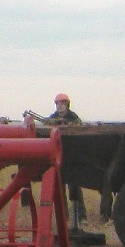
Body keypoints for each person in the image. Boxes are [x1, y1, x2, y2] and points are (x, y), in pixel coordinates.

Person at [39, 93, 88, 232]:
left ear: (67, 104)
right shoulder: (52, 119)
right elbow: (45, 126)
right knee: (60, 191)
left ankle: (81, 218)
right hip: (57, 159)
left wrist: (65, 125)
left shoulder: (74, 118)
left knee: (75, 189)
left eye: (62, 103)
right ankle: (64, 218)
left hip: (72, 158)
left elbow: (79, 127)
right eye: (57, 103)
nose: (59, 105)